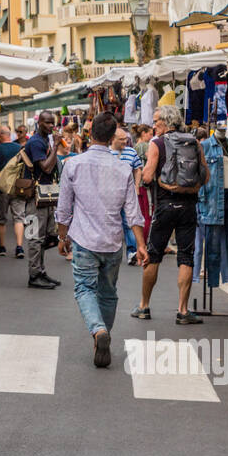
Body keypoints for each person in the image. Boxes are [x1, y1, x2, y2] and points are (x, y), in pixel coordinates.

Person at [57, 112, 148, 367]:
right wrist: (140, 244)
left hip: (84, 240)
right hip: (112, 241)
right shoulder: (122, 168)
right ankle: (102, 334)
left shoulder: (73, 165)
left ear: (90, 134)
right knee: (108, 293)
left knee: (84, 288)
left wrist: (62, 237)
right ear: (111, 138)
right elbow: (133, 212)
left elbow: (64, 209)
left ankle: (98, 331)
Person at [136, 105, 208, 325]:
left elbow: (147, 176)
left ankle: (144, 306)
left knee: (154, 254)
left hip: (165, 205)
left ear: (166, 122)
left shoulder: (156, 144)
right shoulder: (195, 142)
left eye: (157, 120)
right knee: (186, 257)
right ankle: (183, 310)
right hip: (188, 207)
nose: (154, 124)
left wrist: (150, 178)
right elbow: (205, 177)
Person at [23, 110, 66, 289]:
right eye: (47, 123)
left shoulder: (44, 140)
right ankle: (34, 276)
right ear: (39, 122)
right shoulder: (35, 143)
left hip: (46, 195)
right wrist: (56, 146)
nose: (51, 126)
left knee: (48, 236)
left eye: (53, 123)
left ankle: (40, 271)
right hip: (35, 197)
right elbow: (46, 168)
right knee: (35, 237)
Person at [0, 126, 24, 257]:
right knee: (19, 218)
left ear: (0, 135)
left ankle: (2, 246)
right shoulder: (20, 149)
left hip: (1, 189)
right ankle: (19, 247)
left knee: (1, 218)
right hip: (18, 187)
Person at [112, 126, 143, 264]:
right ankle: (110, 252)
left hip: (127, 194)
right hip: (110, 196)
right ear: (113, 139)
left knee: (129, 223)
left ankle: (132, 252)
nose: (125, 141)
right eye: (121, 139)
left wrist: (136, 187)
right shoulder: (106, 153)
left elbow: (137, 169)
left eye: (126, 139)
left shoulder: (131, 152)